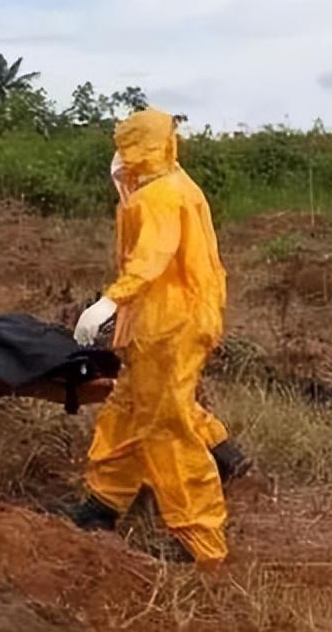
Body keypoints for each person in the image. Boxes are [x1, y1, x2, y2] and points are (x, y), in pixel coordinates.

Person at [68, 109, 235, 566]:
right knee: (126, 413)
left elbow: (150, 258)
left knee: (167, 427)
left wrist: (110, 301)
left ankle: (201, 544)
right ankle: (101, 506)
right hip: (168, 322)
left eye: (124, 149)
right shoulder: (178, 187)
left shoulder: (159, 197)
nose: (118, 160)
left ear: (140, 149)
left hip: (169, 327)